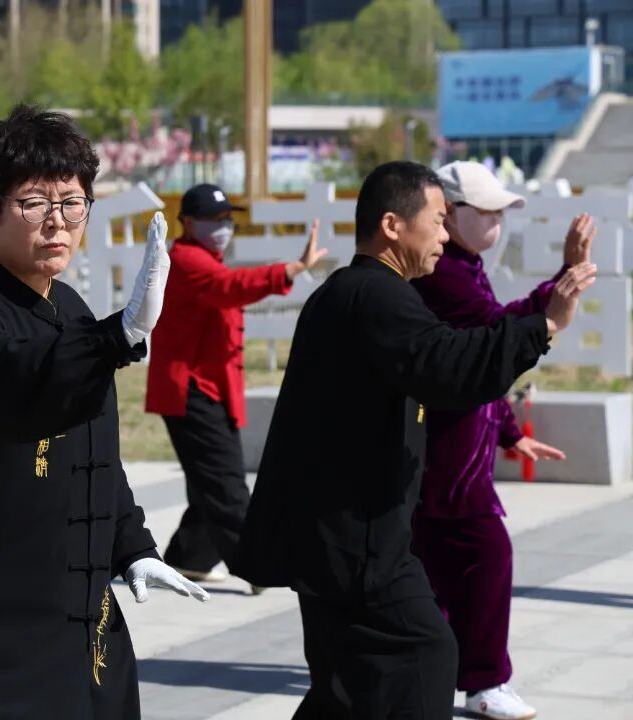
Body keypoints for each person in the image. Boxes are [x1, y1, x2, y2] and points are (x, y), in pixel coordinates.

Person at [0, 105, 208, 720]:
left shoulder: (70, 307)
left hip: (78, 609)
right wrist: (117, 335)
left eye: (72, 203)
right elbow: (17, 384)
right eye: (33, 204)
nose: (58, 223)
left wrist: (132, 544)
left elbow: (93, 448)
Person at [230, 161, 596, 719]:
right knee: (425, 654)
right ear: (393, 226)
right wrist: (545, 326)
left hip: (335, 534)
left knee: (345, 685)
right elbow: (449, 364)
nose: (445, 235)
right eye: (438, 220)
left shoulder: (350, 292)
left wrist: (508, 423)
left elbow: (441, 361)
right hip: (356, 540)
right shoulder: (377, 295)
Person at [410, 161, 595, 720]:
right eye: (486, 211)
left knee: (436, 568)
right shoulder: (444, 274)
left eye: (500, 213)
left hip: (457, 449)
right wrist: (560, 287)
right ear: (448, 213)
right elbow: (498, 332)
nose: (496, 222)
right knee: (487, 554)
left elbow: (483, 358)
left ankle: (436, 671)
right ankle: (486, 682)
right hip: (450, 457)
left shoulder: (463, 265)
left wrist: (510, 433)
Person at [146, 182, 326, 587]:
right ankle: (258, 565)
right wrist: (290, 269)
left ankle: (188, 558)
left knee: (209, 483)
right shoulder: (186, 260)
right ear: (187, 222)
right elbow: (229, 289)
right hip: (191, 391)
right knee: (226, 485)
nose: (223, 226)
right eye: (214, 219)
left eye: (228, 219)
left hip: (209, 389)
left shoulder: (206, 258)